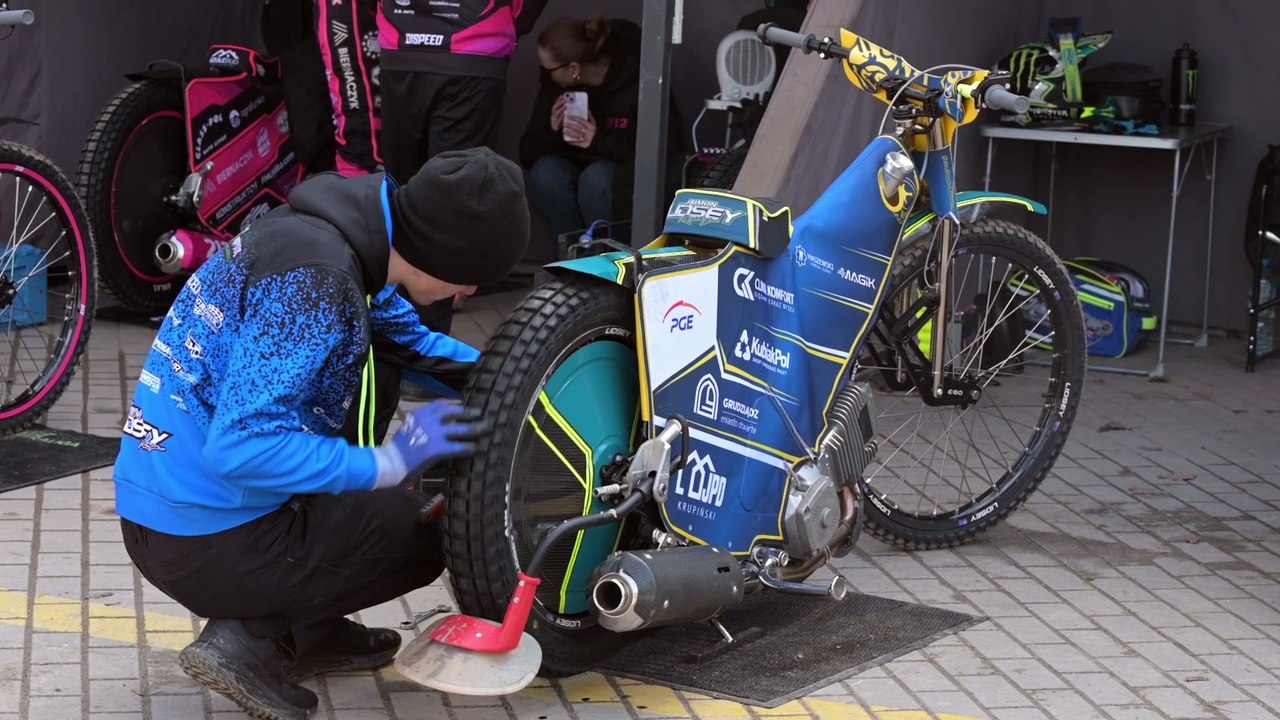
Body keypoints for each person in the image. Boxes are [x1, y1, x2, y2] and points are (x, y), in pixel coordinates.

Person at [113, 147, 529, 720]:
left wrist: (519, 376)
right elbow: (243, 447)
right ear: (442, 252)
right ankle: (249, 641)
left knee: (366, 482)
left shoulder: (333, 241)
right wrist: (390, 460)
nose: (472, 294)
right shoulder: (315, 282)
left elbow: (412, 345)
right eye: (472, 277)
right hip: (200, 538)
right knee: (423, 530)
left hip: (168, 514)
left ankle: (313, 632)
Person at [377, 0, 548, 334]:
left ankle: (402, 335)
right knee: (449, 198)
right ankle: (418, 339)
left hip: (405, 42)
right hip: (469, 44)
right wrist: (501, 21)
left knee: (410, 191)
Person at [520, 15, 686, 241]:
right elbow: (527, 153)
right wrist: (551, 130)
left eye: (550, 68)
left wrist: (598, 140)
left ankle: (607, 254)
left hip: (618, 174)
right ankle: (572, 254)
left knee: (596, 178)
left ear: (574, 68)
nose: (545, 73)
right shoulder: (556, 85)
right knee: (545, 173)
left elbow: (666, 151)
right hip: (572, 169)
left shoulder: (636, 78)